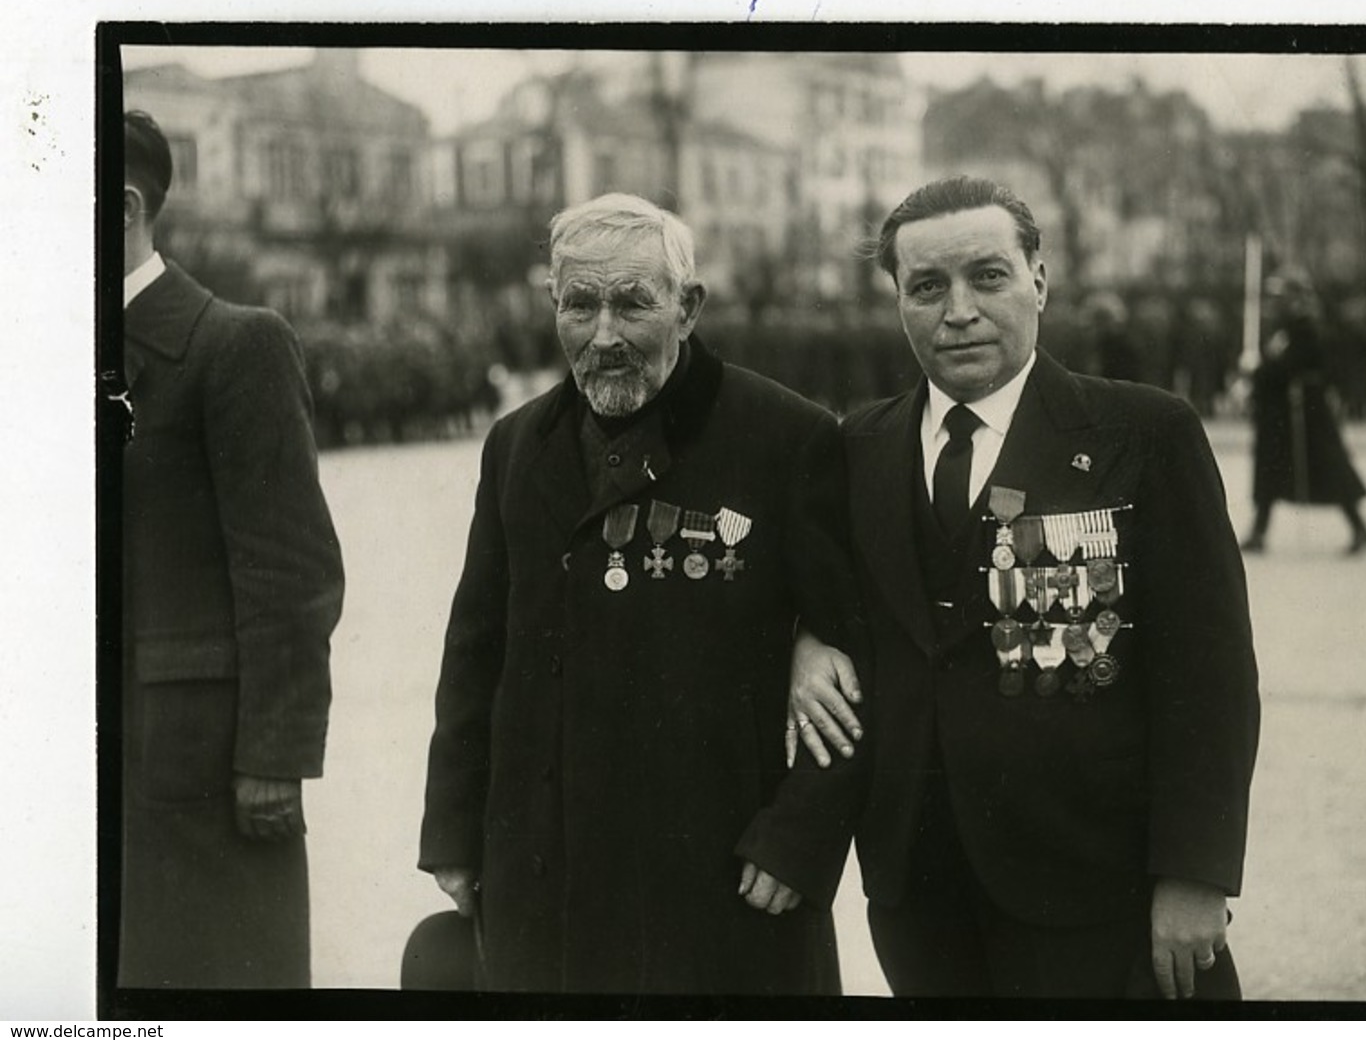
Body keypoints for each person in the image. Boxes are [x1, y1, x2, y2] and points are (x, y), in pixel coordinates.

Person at [789, 176, 1260, 1000]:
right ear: (896, 299)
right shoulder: (855, 447)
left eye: (988, 276)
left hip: (1094, 883)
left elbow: (1209, 676)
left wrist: (1196, 874)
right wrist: (800, 644)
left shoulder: (1141, 435)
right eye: (927, 286)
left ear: (1039, 279)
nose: (958, 309)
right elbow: (820, 602)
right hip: (917, 887)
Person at [418, 193, 866, 995]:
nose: (604, 335)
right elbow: (476, 648)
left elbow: (856, 661)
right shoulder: (516, 442)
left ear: (688, 308)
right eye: (578, 304)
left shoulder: (787, 437)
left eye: (633, 303)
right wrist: (452, 831)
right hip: (542, 874)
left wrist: (800, 839)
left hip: (721, 880)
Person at [120, 110, 345, 987]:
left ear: (123, 206)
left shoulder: (231, 344)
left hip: (198, 771)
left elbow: (292, 572)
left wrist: (273, 760)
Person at [1241, 276, 1366, 555]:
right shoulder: (1282, 329)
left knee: (1327, 470)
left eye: (1281, 299)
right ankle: (1259, 530)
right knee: (1270, 471)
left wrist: (1259, 370)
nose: (1274, 305)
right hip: (1280, 415)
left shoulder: (1307, 329)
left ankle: (1359, 527)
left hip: (1304, 414)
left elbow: (1294, 366)